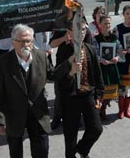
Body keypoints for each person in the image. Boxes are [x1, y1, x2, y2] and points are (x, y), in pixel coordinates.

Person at [0, 24, 54, 158]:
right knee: (16, 152)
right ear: (13, 42)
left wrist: (70, 66)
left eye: (28, 40)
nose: (26, 44)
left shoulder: (41, 57)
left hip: (38, 114)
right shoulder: (2, 63)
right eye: (22, 41)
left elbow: (54, 75)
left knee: (42, 151)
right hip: (14, 115)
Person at [55, 18, 104, 158]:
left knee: (96, 129)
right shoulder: (63, 50)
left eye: (83, 29)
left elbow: (97, 74)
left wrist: (99, 95)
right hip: (70, 98)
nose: (81, 33)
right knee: (70, 135)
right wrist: (70, 72)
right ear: (69, 32)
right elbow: (57, 76)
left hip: (87, 95)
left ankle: (82, 150)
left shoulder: (90, 49)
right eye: (77, 30)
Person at [94, 15, 122, 121]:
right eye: (105, 23)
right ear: (100, 25)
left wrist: (117, 57)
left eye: (109, 23)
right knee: (101, 92)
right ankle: (99, 111)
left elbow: (120, 50)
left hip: (112, 68)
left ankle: (103, 108)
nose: (108, 25)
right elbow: (94, 54)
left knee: (110, 93)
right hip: (101, 68)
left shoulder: (114, 38)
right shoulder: (96, 39)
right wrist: (101, 60)